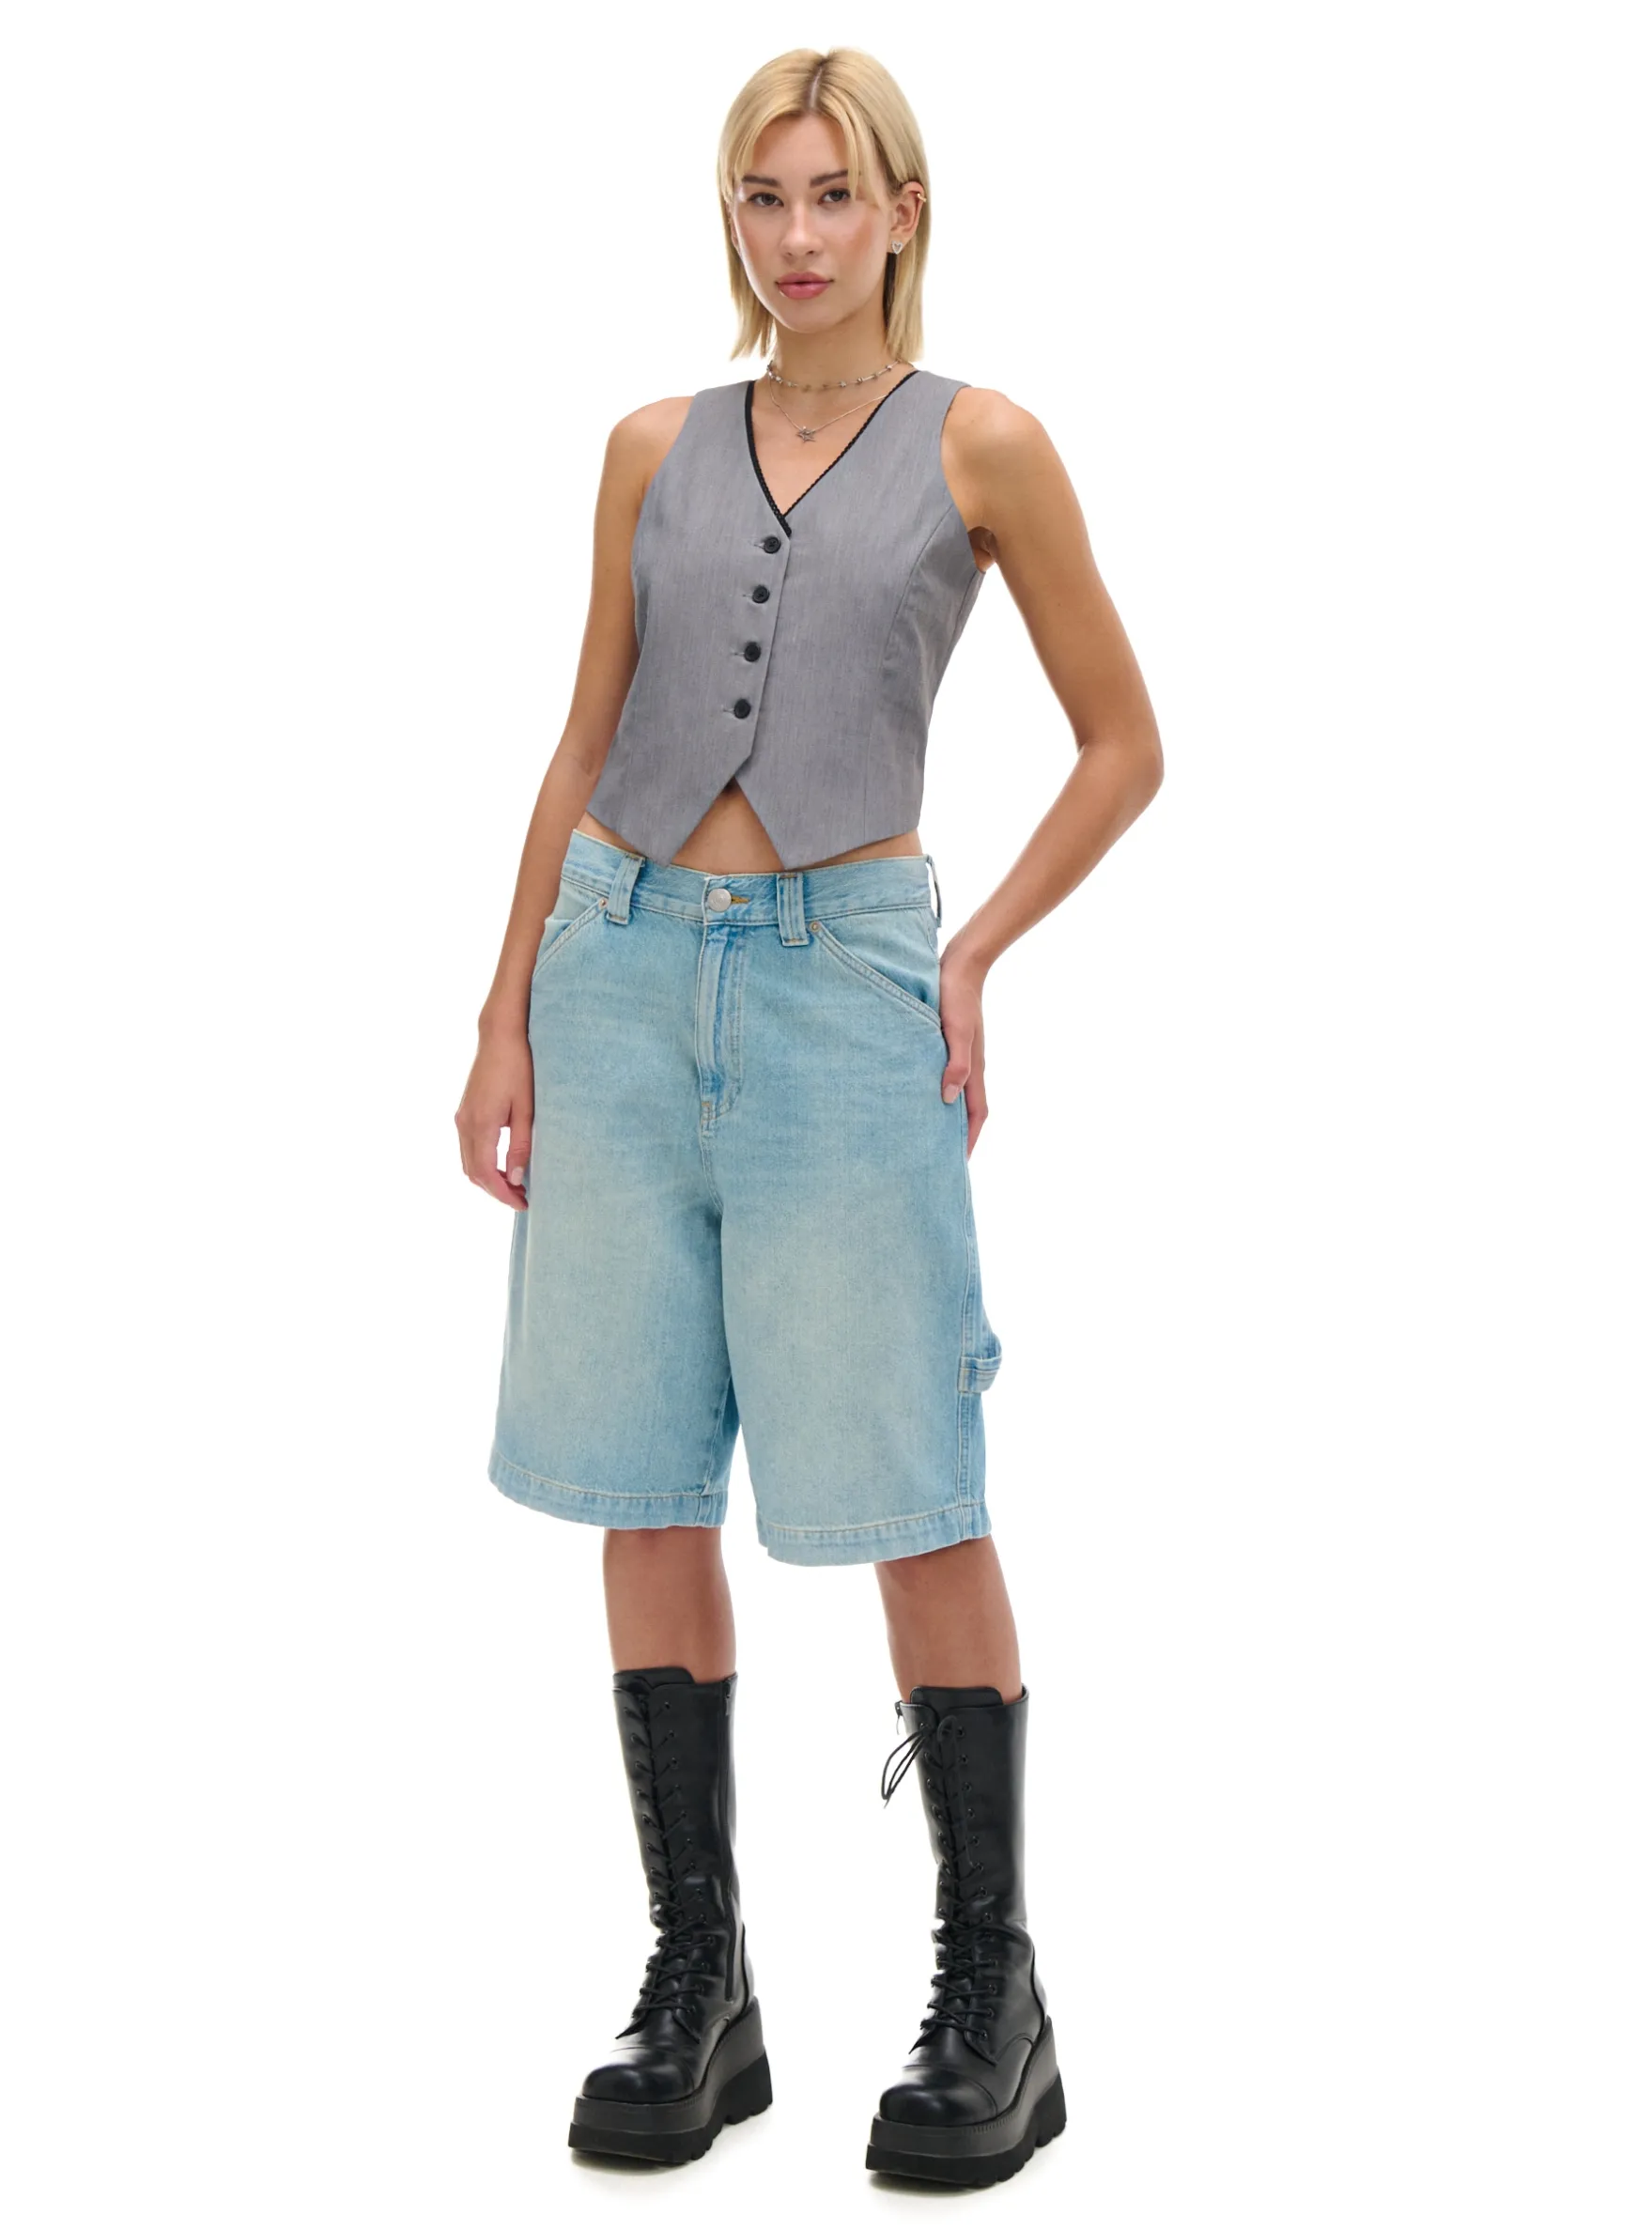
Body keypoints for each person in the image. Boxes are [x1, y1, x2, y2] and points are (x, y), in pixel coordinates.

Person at [455, 46, 1163, 2189]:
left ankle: (991, 1989)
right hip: (615, 969)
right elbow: (582, 733)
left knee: (915, 1490)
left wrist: (971, 951)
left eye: (832, 194)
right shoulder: (646, 447)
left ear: (901, 212)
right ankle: (703, 1976)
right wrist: (503, 1014)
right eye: (761, 198)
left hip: (845, 987)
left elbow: (1124, 743)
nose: (795, 236)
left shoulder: (986, 445)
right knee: (640, 1477)